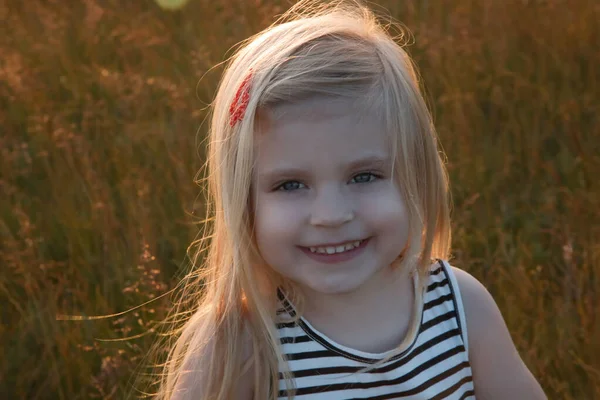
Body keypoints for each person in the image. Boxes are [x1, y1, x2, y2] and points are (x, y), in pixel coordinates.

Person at [154, 0, 547, 398]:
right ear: (245, 202)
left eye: (364, 176)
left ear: (417, 176)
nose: (331, 215)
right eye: (291, 184)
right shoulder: (239, 346)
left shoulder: (459, 307)